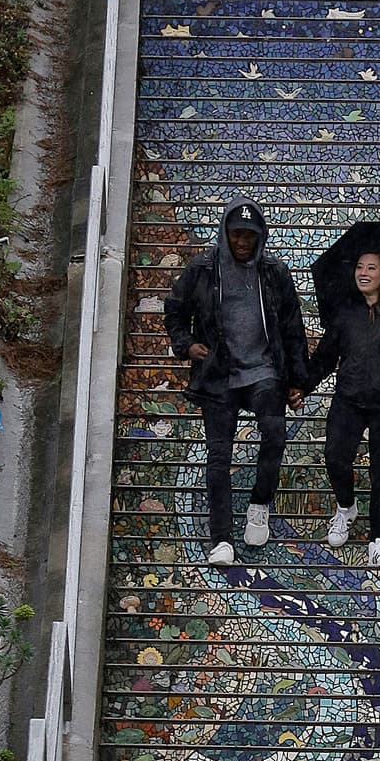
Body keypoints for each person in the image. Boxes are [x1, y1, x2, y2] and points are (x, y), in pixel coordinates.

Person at [164, 197, 309, 567]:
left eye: (249, 235)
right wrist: (186, 345)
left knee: (275, 431)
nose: (242, 241)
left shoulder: (274, 272)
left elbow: (293, 328)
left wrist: (298, 380)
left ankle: (259, 504)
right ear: (225, 234)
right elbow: (175, 308)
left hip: (264, 369)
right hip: (219, 373)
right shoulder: (203, 268)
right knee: (218, 456)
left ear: (260, 237)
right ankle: (222, 540)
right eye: (236, 234)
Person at [306, 249, 380, 568]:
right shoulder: (344, 313)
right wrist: (299, 386)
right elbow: (324, 359)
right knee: (334, 457)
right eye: (359, 266)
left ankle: (379, 541)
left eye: (371, 267)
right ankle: (346, 506)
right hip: (349, 399)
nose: (364, 272)